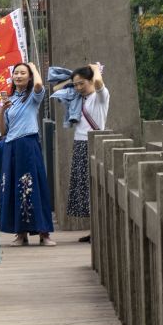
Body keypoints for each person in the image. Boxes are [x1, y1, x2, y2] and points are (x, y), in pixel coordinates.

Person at [0, 61, 56, 246]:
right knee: (15, 188)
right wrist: (2, 111)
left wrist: (33, 67)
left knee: (35, 186)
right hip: (11, 146)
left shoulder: (33, 97)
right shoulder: (10, 99)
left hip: (29, 144)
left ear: (29, 77)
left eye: (23, 73)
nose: (19, 76)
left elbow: (39, 84)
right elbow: (2, 131)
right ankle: (20, 234)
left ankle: (44, 233)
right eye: (16, 73)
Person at [67, 64, 108, 243]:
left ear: (91, 81)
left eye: (81, 83)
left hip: (93, 143)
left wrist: (95, 69)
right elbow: (58, 87)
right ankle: (94, 231)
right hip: (79, 143)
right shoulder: (79, 99)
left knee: (94, 188)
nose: (78, 87)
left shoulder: (101, 96)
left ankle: (99, 232)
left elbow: (98, 82)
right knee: (85, 190)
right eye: (75, 84)